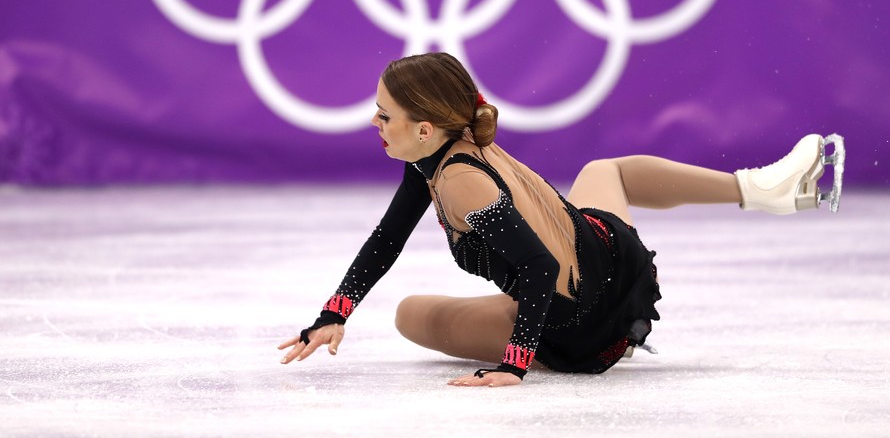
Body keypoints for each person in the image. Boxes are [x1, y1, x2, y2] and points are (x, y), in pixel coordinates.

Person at [277, 52, 845, 388]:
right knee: (606, 171)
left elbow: (540, 266)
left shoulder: (460, 180)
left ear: (425, 129)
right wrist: (334, 313)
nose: (375, 123)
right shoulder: (433, 159)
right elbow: (388, 237)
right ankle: (759, 189)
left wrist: (516, 363)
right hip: (603, 259)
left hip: (580, 319)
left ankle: (761, 188)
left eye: (384, 115)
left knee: (411, 316)